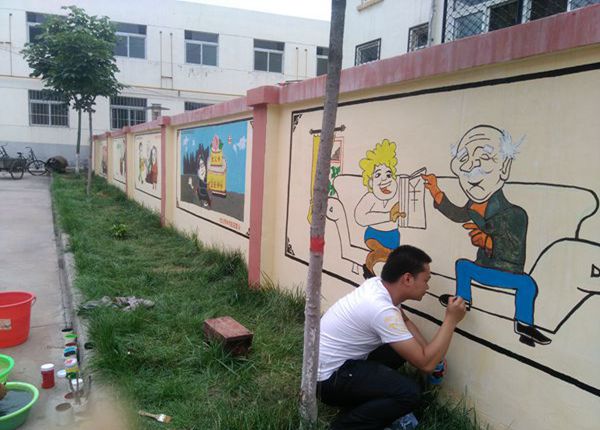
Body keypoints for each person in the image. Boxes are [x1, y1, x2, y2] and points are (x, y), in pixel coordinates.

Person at [421, 124, 551, 346]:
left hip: (508, 273)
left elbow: (515, 249)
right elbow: (456, 214)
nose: (471, 167)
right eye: (465, 159)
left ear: (504, 168)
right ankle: (463, 300)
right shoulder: (473, 204)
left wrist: (488, 241)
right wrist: (435, 191)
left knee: (528, 284)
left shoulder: (516, 214)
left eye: (484, 157)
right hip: (483, 268)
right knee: (463, 266)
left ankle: (524, 325)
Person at [317, 245, 467, 430]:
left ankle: (365, 404)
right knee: (409, 394)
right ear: (407, 279)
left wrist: (433, 357)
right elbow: (425, 364)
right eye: (426, 280)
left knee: (400, 349)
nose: (427, 287)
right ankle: (346, 426)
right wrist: (451, 320)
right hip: (328, 382)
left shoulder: (379, 286)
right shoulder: (380, 308)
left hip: (327, 367)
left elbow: (405, 322)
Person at [355, 139, 405, 279]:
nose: (385, 180)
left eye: (388, 175)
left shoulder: (399, 197)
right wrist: (388, 215)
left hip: (393, 236)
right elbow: (360, 217)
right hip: (374, 235)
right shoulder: (370, 197)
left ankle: (369, 269)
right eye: (378, 175)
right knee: (383, 252)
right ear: (371, 182)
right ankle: (370, 269)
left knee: (387, 254)